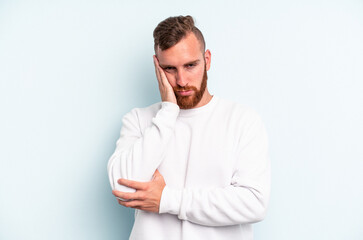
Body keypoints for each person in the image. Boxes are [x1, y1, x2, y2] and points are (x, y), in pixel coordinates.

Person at [107, 15, 270, 240]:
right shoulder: (139, 120)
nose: (181, 80)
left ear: (207, 60)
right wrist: (168, 113)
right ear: (157, 66)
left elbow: (254, 203)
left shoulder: (242, 120)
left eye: (190, 65)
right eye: (169, 69)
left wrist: (166, 200)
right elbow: (123, 189)